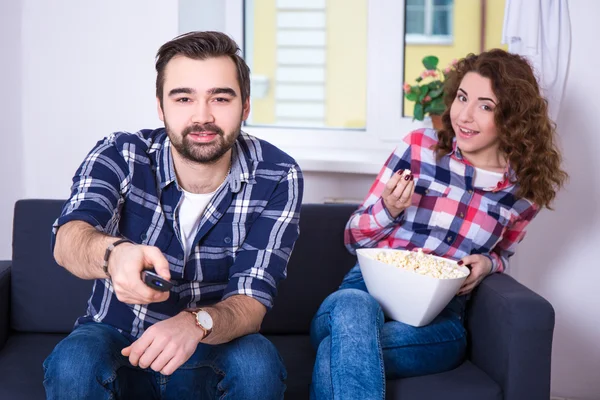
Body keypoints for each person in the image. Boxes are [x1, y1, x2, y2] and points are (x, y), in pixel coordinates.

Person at [43, 31, 303, 400]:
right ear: (161, 108)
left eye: (220, 98)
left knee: (257, 365)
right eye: (184, 98)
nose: (203, 116)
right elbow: (68, 240)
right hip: (118, 337)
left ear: (245, 106)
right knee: (74, 363)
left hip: (213, 341)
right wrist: (114, 254)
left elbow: (251, 300)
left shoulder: (278, 174)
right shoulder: (120, 153)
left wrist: (196, 322)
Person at [309, 49, 567, 399]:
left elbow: (503, 253)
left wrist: (488, 264)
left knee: (338, 349)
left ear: (513, 117)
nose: (464, 115)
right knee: (354, 310)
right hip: (361, 293)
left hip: (438, 319)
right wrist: (388, 208)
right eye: (462, 97)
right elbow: (353, 238)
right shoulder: (419, 148)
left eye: (485, 105)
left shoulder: (524, 192)